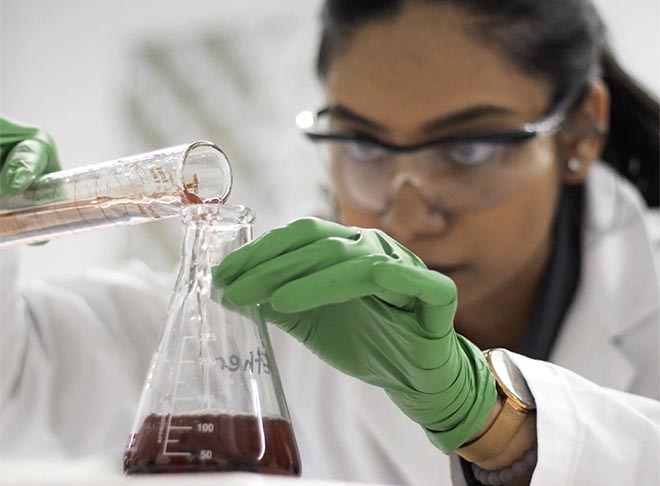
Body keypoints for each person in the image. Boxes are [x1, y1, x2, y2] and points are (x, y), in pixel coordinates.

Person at [1, 0, 658, 485]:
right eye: (363, 144)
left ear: (579, 133)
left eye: (469, 146)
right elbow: (16, 389)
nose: (407, 208)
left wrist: (491, 419)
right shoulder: (271, 304)